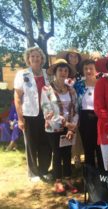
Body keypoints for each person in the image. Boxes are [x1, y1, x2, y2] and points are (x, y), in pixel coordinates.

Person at [14, 46, 52, 182]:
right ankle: (33, 173)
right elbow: (17, 97)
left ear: (42, 58)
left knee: (46, 144)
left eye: (38, 56)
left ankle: (44, 170)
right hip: (29, 115)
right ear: (28, 59)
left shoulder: (48, 74)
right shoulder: (22, 74)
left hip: (47, 115)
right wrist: (20, 119)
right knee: (31, 144)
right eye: (32, 56)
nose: (36, 58)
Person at [41, 59, 79, 194]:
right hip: (53, 127)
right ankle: (58, 181)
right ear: (55, 72)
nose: (63, 73)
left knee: (67, 153)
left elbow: (76, 110)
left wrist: (71, 127)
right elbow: (47, 112)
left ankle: (68, 179)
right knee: (57, 153)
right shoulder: (46, 90)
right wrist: (65, 124)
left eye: (65, 70)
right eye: (60, 70)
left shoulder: (71, 90)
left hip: (69, 128)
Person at [57, 48, 88, 167]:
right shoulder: (63, 73)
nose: (73, 59)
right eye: (71, 56)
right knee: (66, 130)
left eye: (76, 57)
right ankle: (67, 157)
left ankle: (78, 157)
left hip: (80, 105)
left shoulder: (81, 73)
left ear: (79, 59)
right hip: (65, 106)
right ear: (67, 58)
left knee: (78, 131)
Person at [74, 59, 104, 170]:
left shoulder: (101, 84)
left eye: (91, 68)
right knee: (88, 147)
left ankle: (102, 174)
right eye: (86, 69)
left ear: (96, 70)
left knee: (100, 146)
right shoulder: (78, 85)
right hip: (85, 118)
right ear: (83, 70)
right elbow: (74, 102)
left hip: (100, 117)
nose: (88, 71)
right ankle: (90, 175)